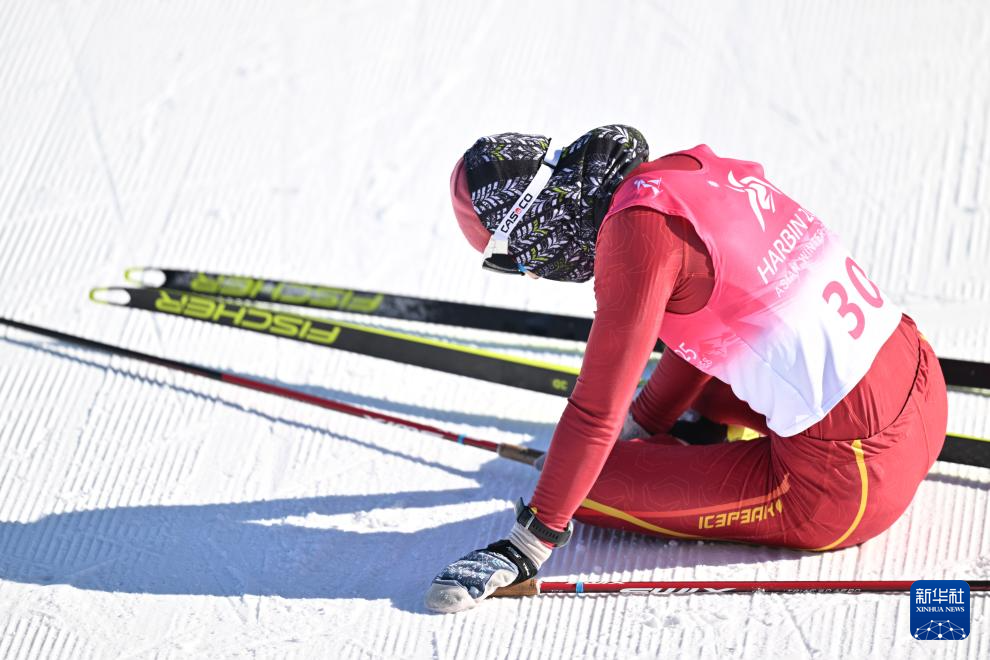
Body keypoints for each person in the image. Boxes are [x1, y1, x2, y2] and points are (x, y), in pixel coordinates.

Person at [424, 125, 948, 613]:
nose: (531, 274)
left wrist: (528, 543)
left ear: (528, 221)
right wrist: (645, 423)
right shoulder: (680, 172)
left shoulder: (633, 236)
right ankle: (697, 432)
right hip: (923, 380)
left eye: (509, 258)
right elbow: (718, 321)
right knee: (706, 381)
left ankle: (696, 442)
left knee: (590, 487)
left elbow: (595, 410)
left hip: (854, 484)